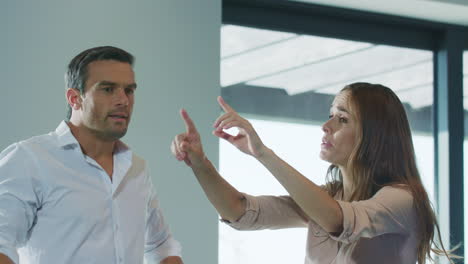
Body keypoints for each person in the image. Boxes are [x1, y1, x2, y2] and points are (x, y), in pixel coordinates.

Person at [171, 83, 458, 264]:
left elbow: (337, 221)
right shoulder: (328, 197)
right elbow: (241, 212)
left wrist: (263, 153)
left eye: (342, 119)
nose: (326, 125)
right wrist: (200, 163)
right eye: (331, 114)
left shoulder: (402, 199)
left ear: (374, 136)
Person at [0, 46, 183, 264]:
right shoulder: (29, 159)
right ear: (75, 98)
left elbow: (161, 247)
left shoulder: (136, 168)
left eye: (129, 90)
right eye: (108, 89)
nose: (123, 100)